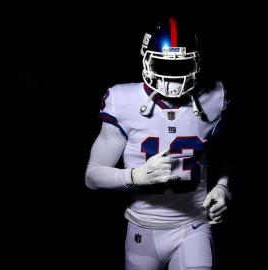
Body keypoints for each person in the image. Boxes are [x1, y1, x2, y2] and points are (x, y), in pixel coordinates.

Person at [85, 16, 231, 270]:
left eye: (182, 66)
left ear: (196, 62)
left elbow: (231, 154)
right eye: (163, 65)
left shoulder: (214, 96)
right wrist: (135, 176)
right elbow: (93, 176)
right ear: (146, 58)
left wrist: (223, 187)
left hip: (193, 227)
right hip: (142, 228)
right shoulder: (123, 100)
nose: (172, 78)